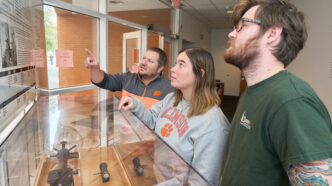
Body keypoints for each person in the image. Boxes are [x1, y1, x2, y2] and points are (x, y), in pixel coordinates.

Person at [221, 0, 332, 185]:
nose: (232, 33)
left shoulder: (292, 101)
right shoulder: (254, 92)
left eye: (243, 25)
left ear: (272, 34)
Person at [118, 47, 230, 186]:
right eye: (176, 63)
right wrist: (135, 104)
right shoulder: (171, 98)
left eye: (181, 64)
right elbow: (152, 120)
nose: (172, 69)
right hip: (158, 174)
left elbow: (203, 181)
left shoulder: (214, 125)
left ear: (200, 74)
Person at [84, 47, 173, 109]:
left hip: (151, 135)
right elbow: (103, 81)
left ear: (160, 68)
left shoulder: (170, 88)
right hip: (127, 132)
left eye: (150, 61)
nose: (143, 63)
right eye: (143, 58)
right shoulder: (127, 78)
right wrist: (95, 68)